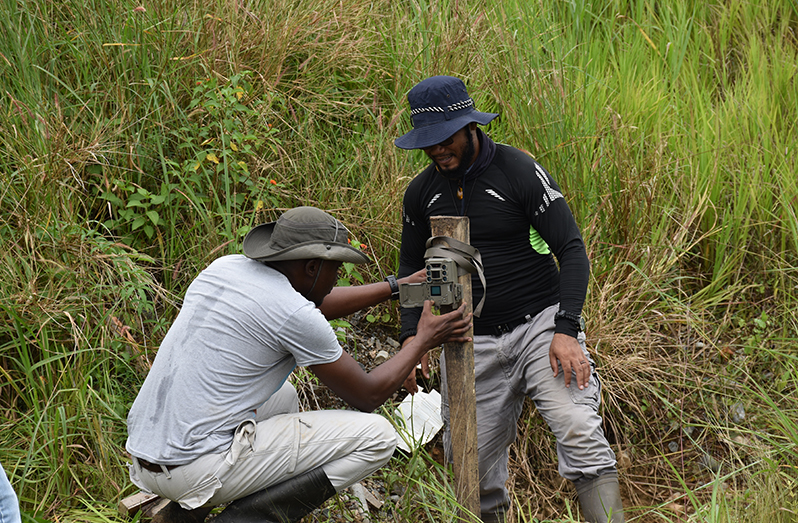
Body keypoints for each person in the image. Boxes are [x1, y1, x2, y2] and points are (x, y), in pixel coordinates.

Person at [125, 206, 472, 523]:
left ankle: (181, 515)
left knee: (285, 396)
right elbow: (367, 396)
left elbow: (311, 304)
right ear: (311, 267)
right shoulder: (293, 313)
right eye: (335, 268)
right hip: (194, 469)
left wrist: (396, 287)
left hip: (147, 455)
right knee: (378, 437)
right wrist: (424, 339)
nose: (339, 277)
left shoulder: (225, 269)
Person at [394, 76, 623, 523]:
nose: (438, 150)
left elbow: (571, 249)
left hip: (540, 325)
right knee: (470, 468)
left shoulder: (518, 172)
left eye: (446, 139)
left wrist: (566, 329)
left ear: (470, 128)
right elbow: (412, 269)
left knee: (578, 429)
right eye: (428, 144)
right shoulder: (422, 194)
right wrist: (411, 338)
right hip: (467, 339)